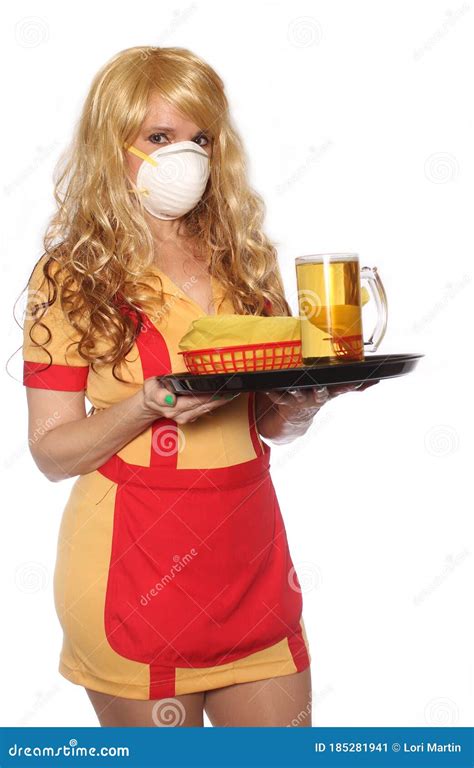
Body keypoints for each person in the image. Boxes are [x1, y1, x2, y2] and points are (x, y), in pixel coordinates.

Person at [21, 46, 378, 727]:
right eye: (160, 138)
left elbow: (266, 423)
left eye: (200, 139)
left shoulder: (245, 258)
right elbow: (50, 453)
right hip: (132, 571)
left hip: (252, 564)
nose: (186, 157)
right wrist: (145, 405)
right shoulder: (68, 277)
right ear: (112, 145)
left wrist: (305, 400)